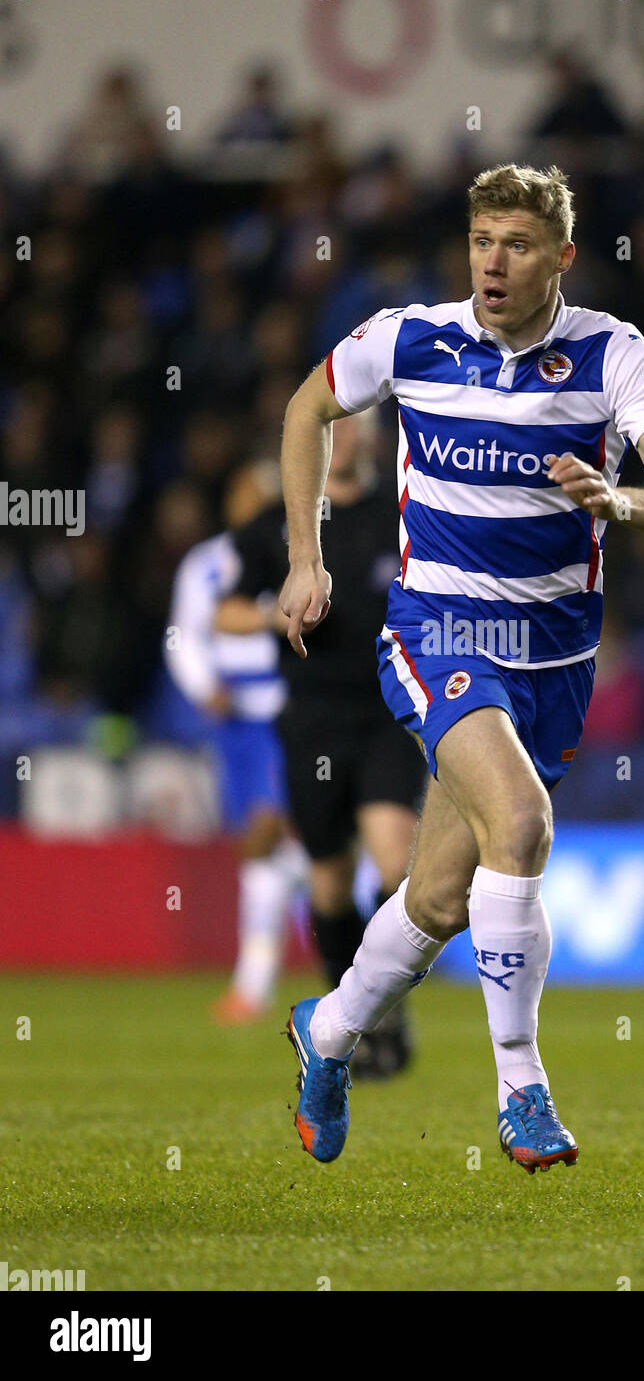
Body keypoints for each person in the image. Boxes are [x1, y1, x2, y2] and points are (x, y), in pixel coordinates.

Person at [278, 163, 644, 1172]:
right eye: (481, 242)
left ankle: (327, 1032)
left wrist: (617, 499)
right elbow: (307, 410)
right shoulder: (410, 338)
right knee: (519, 822)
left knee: (436, 895)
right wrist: (306, 557)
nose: (492, 263)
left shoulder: (611, 354)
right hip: (437, 632)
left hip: (552, 660)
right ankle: (521, 1085)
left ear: (560, 256)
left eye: (516, 245)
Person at [215, 410, 427, 1076]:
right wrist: (273, 613)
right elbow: (223, 610)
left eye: (356, 424)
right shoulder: (282, 524)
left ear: (370, 435)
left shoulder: (401, 512)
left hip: (388, 710)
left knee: (397, 866)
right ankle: (353, 1020)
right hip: (311, 718)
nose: (345, 436)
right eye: (333, 425)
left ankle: (386, 1007)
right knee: (330, 881)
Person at [164, 460, 309, 1023]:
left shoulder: (301, 555)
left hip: (288, 709)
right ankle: (257, 980)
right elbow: (182, 635)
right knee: (260, 846)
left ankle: (254, 984)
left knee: (268, 831)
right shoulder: (205, 565)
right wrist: (204, 689)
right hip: (236, 721)